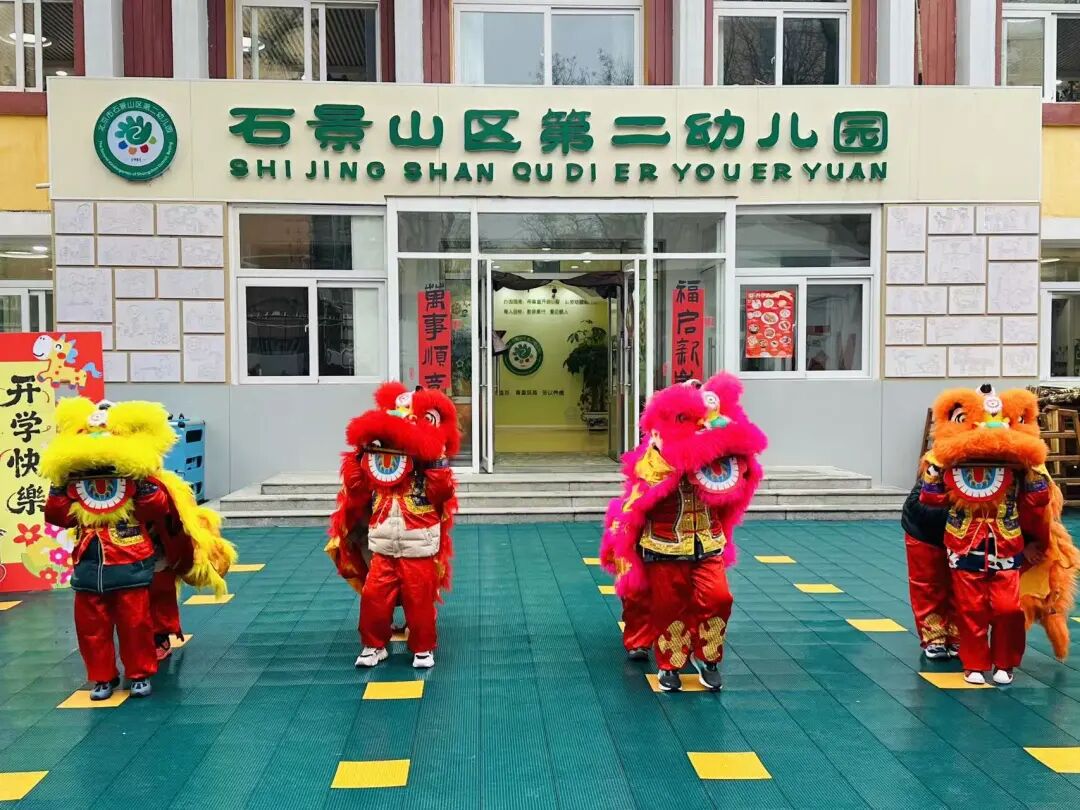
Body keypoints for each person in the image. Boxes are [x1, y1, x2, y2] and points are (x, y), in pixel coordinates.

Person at [40, 398, 236, 699]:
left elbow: (157, 511)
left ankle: (140, 672)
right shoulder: (74, 484)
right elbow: (59, 516)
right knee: (91, 627)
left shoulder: (146, 482)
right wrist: (58, 486)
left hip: (133, 561)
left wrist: (142, 482)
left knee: (136, 622)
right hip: (89, 566)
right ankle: (102, 677)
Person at [600, 373, 766, 692]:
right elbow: (642, 490)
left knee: (719, 598)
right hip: (663, 546)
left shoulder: (722, 451)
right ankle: (670, 664)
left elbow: (742, 474)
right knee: (668, 605)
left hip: (708, 542)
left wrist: (730, 453)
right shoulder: (654, 457)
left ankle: (708, 658)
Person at [919, 385, 1051, 685]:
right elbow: (931, 498)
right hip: (963, 543)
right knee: (970, 609)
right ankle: (974, 664)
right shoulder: (949, 460)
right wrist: (935, 467)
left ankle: (1005, 662)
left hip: (1007, 543)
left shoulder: (1018, 462)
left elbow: (1038, 500)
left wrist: (1035, 466)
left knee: (1008, 609)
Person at [327, 383, 459, 669]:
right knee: (374, 598)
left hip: (419, 544)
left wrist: (435, 461)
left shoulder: (430, 465)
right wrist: (359, 457)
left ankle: (423, 648)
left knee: (419, 599)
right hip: (383, 544)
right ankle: (373, 645)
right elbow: (356, 487)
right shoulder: (378, 462)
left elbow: (442, 493)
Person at [901, 474, 958, 660]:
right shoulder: (935, 468)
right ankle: (934, 637)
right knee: (927, 584)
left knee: (964, 586)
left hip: (968, 534)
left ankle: (958, 634)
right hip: (924, 532)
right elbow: (918, 506)